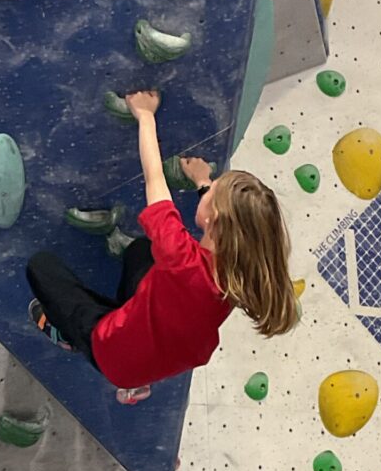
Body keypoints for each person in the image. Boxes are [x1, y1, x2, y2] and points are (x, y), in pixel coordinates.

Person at [26, 90, 298, 395]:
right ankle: (138, 368)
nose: (207, 187)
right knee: (141, 251)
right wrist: (203, 183)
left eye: (210, 192)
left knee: (40, 268)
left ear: (215, 219)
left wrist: (145, 115)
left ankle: (69, 337)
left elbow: (154, 179)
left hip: (112, 354)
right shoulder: (241, 277)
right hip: (158, 350)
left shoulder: (180, 255)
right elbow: (220, 222)